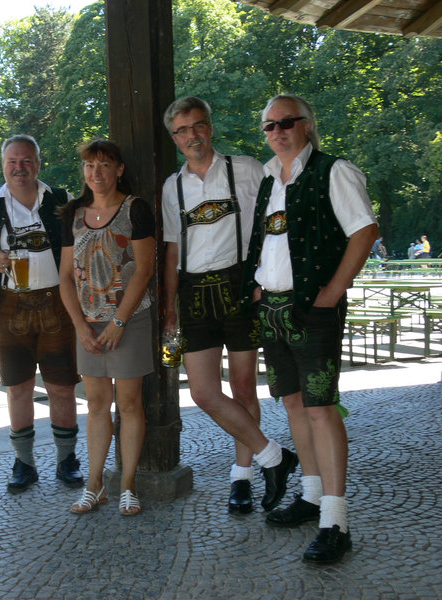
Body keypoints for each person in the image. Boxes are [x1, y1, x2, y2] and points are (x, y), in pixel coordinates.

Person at [242, 94, 378, 563]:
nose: (277, 131)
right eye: (269, 125)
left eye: (287, 122)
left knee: (321, 408)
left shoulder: (333, 170)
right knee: (294, 403)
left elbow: (364, 230)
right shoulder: (266, 178)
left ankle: (336, 520)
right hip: (272, 309)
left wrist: (333, 291)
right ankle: (312, 495)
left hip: (313, 310)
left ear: (307, 125)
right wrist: (258, 288)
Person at [161, 96, 298, 515]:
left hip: (239, 286)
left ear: (210, 127)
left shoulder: (247, 169)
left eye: (198, 126)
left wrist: (261, 279)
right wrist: (169, 306)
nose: (192, 136)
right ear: (175, 138)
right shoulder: (173, 186)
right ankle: (273, 455)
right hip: (194, 293)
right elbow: (170, 250)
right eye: (182, 131)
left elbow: (271, 227)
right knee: (203, 392)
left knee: (242, 388)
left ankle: (242, 475)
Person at [0, 134, 84, 493]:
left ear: (38, 163)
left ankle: (67, 460)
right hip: (9, 306)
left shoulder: (61, 200)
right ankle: (24, 462)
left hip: (57, 304)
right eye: (13, 162)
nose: (20, 168)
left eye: (27, 161)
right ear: (3, 166)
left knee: (62, 387)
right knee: (18, 388)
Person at [58, 140, 155, 516]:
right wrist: (80, 326)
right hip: (88, 323)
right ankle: (94, 485)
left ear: (119, 169)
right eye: (89, 165)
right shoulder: (73, 214)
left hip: (129, 319)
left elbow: (144, 270)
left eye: (103, 164)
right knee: (97, 404)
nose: (95, 172)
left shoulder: (135, 209)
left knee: (129, 404)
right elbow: (66, 277)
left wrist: (119, 321)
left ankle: (127, 485)